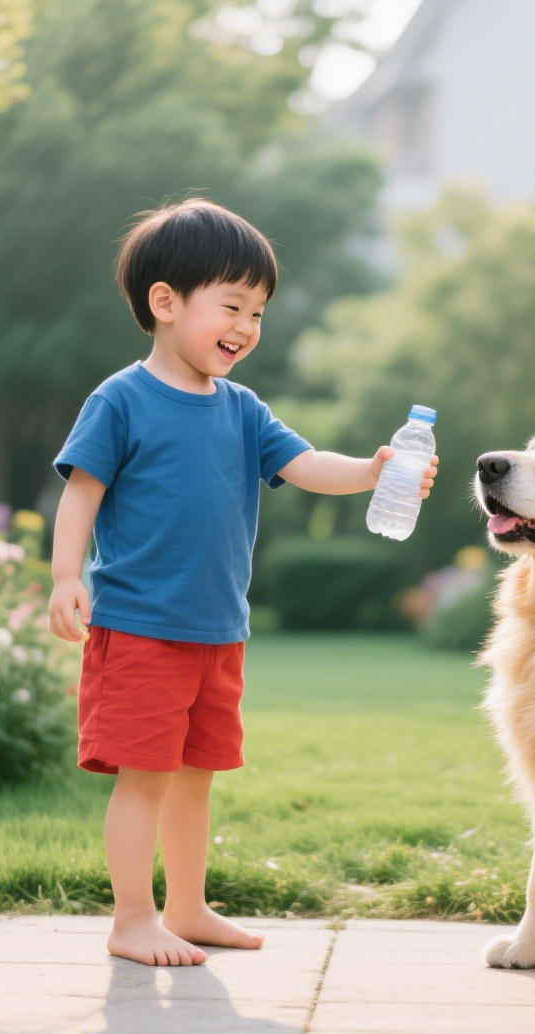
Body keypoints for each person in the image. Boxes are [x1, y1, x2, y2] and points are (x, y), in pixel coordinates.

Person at [47, 199, 439, 968]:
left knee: (196, 779)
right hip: (140, 628)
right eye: (232, 306)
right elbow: (81, 493)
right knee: (145, 780)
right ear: (166, 302)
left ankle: (187, 908)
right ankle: (133, 919)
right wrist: (66, 575)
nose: (247, 326)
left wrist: (373, 471)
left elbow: (306, 464)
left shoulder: (243, 410)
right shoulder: (121, 399)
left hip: (217, 633)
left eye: (258, 312)